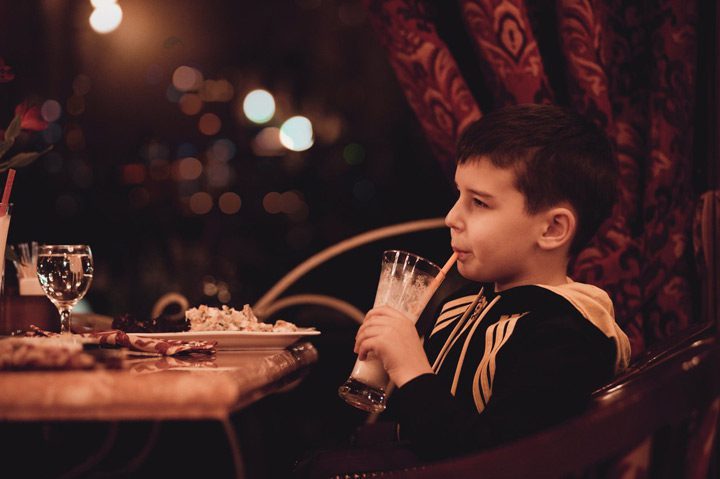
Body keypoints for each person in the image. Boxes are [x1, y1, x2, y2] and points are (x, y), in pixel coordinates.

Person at [295, 103, 631, 476]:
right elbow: (430, 430)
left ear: (552, 229)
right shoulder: (465, 304)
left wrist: (412, 369)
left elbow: (500, 458)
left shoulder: (566, 333)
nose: (452, 217)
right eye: (459, 196)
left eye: (479, 203)